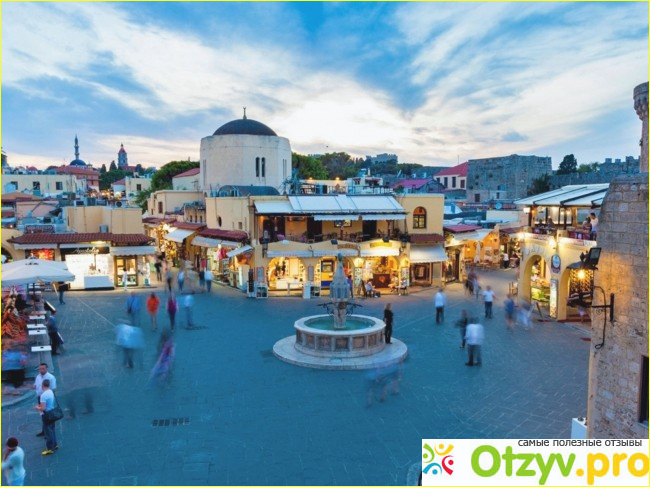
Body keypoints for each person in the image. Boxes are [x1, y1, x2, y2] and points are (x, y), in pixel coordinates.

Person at [35, 379, 58, 455]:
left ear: (42, 385)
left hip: (46, 415)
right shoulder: (51, 391)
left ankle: (50, 448)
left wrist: (37, 408)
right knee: (52, 430)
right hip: (52, 413)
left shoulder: (43, 395)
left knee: (48, 432)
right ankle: (55, 444)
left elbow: (43, 408)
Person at [33, 363, 56, 437]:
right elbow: (36, 385)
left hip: (46, 398)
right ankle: (44, 430)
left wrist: (48, 397)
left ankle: (48, 433)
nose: (41, 370)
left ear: (46, 368)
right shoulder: (38, 376)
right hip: (40, 397)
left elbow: (54, 389)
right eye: (40, 369)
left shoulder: (51, 377)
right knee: (43, 415)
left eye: (43, 368)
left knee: (47, 415)